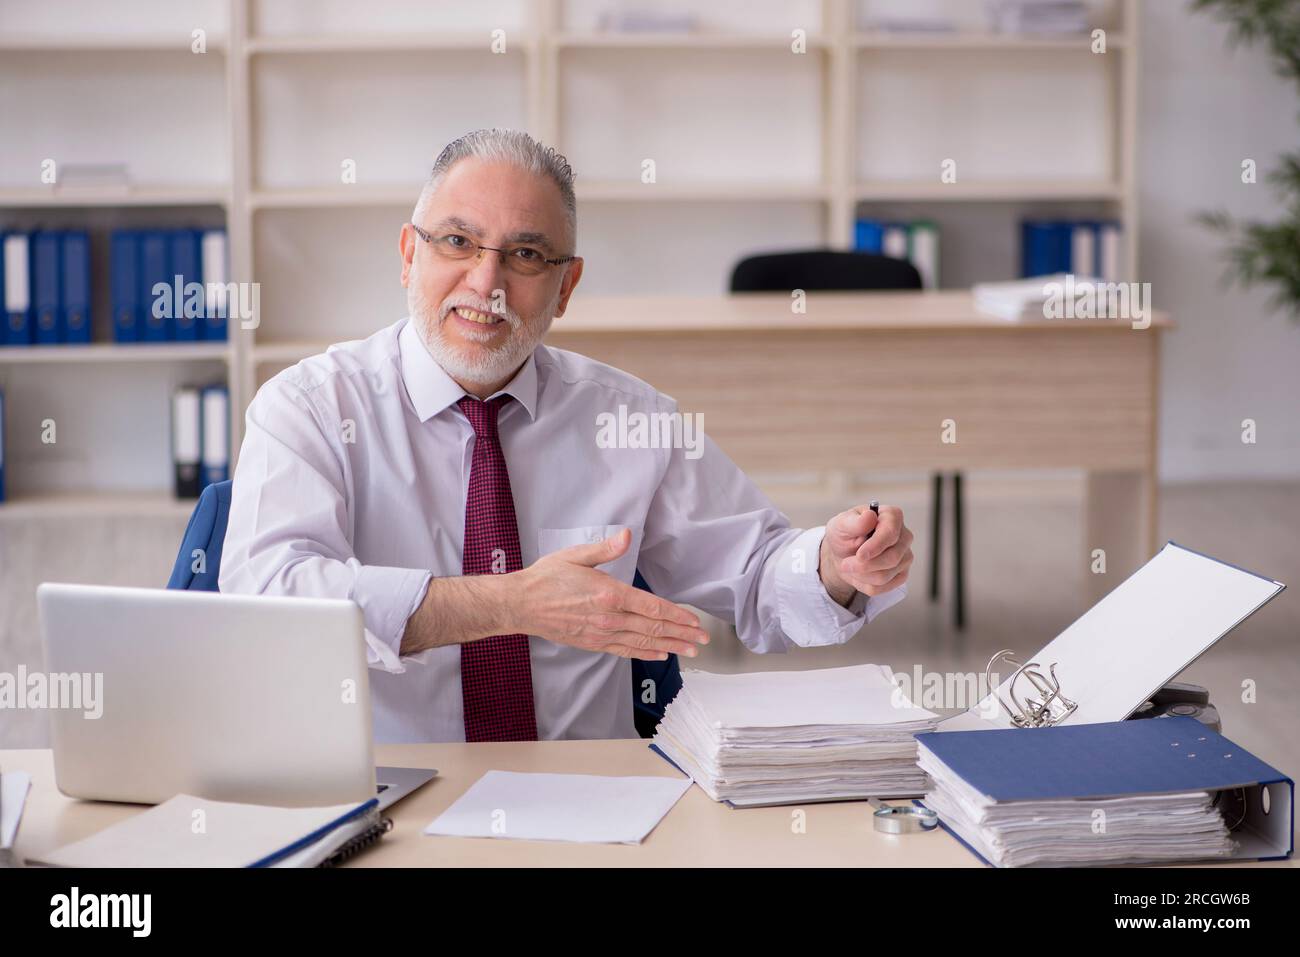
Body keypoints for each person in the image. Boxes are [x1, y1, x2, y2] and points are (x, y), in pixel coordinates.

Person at [219, 128, 914, 743]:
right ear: (409, 255)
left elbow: (760, 576)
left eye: (525, 254)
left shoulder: (629, 419)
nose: (486, 281)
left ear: (566, 285)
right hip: (386, 794)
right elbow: (267, 604)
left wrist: (833, 566)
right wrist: (511, 602)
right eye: (458, 241)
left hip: (590, 799)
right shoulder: (308, 406)